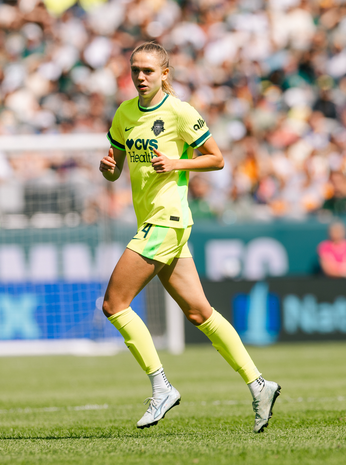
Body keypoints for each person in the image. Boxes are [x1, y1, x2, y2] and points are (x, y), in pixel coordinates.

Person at [99, 43, 280, 433]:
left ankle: (161, 387)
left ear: (165, 73)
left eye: (148, 70)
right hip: (154, 221)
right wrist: (109, 169)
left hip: (168, 219)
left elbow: (216, 158)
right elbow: (116, 168)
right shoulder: (124, 114)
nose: (140, 77)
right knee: (200, 313)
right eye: (135, 70)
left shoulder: (180, 112)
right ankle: (259, 384)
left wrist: (179, 162)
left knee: (115, 304)